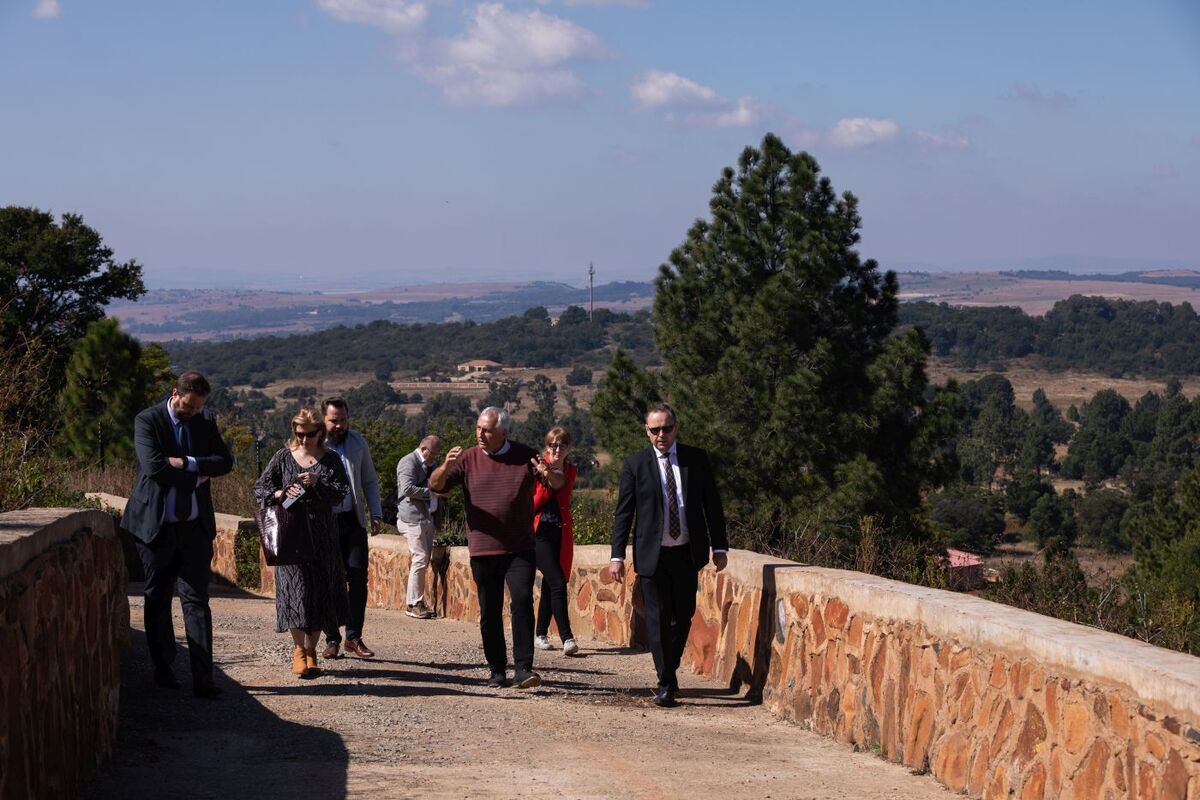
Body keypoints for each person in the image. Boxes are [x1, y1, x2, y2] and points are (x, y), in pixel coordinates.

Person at [428, 407, 564, 689]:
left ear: (503, 432)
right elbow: (436, 486)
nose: (480, 434)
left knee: (522, 600)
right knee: (490, 610)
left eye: (486, 430)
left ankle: (523, 668)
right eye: (478, 428)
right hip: (484, 548)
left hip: (520, 547)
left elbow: (557, 483)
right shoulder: (466, 458)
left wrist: (547, 472)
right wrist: (444, 466)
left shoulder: (525, 455)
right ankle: (497, 670)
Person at [122, 371, 234, 698]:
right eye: (188, 406)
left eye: (198, 407)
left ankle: (203, 677)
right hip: (155, 527)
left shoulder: (204, 422)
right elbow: (154, 467)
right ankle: (164, 668)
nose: (192, 412)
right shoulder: (148, 420)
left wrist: (187, 463)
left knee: (197, 600)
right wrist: (198, 477)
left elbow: (225, 462)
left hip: (194, 528)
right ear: (175, 394)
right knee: (158, 597)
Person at [609, 403, 728, 708]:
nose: (661, 434)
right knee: (657, 617)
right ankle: (665, 681)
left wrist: (719, 547)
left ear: (676, 428)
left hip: (687, 552)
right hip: (653, 554)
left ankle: (669, 670)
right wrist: (617, 555)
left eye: (667, 428)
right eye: (655, 429)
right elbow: (624, 513)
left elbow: (712, 505)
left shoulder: (695, 459)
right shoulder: (636, 465)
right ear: (647, 432)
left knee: (683, 613)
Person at [253, 408, 350, 679]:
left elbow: (341, 493)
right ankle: (298, 651)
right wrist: (279, 493)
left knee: (320, 593)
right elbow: (260, 488)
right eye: (299, 434)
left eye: (309, 434)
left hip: (322, 537)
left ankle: (311, 650)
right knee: (294, 592)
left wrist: (319, 483)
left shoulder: (331, 460)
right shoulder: (283, 457)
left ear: (320, 433)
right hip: (290, 536)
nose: (304, 439)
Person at [319, 397, 384, 660]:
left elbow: (369, 480)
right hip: (325, 523)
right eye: (334, 420)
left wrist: (375, 512)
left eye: (343, 420)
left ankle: (353, 636)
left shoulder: (357, 442)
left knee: (357, 578)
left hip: (352, 520)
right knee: (329, 580)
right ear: (323, 419)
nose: (339, 425)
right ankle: (331, 638)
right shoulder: (315, 444)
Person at [532, 426, 580, 656]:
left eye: (561, 445)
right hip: (538, 532)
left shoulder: (570, 470)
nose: (556, 449)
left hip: (560, 530)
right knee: (558, 581)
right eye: (552, 444)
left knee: (551, 583)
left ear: (569, 448)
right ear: (547, 446)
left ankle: (540, 634)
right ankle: (567, 637)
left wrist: (548, 473)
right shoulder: (536, 467)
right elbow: (537, 499)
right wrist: (543, 472)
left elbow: (562, 487)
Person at [396, 435, 443, 620]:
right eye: (434, 453)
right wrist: (432, 493)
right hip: (412, 519)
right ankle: (414, 604)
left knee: (423, 559)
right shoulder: (408, 462)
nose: (435, 457)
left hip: (427, 518)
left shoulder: (431, 465)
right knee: (420, 557)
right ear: (424, 449)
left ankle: (416, 602)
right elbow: (406, 489)